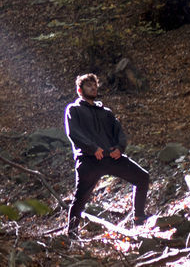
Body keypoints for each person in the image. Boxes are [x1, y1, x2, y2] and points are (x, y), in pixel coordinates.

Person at [63, 72, 150, 237]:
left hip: (111, 158)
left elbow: (119, 132)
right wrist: (92, 148)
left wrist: (120, 148)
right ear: (80, 90)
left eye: (95, 85)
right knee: (80, 197)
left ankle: (139, 218)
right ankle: (72, 233)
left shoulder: (106, 112)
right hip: (88, 160)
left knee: (142, 177)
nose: (93, 88)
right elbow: (73, 133)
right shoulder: (73, 109)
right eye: (89, 85)